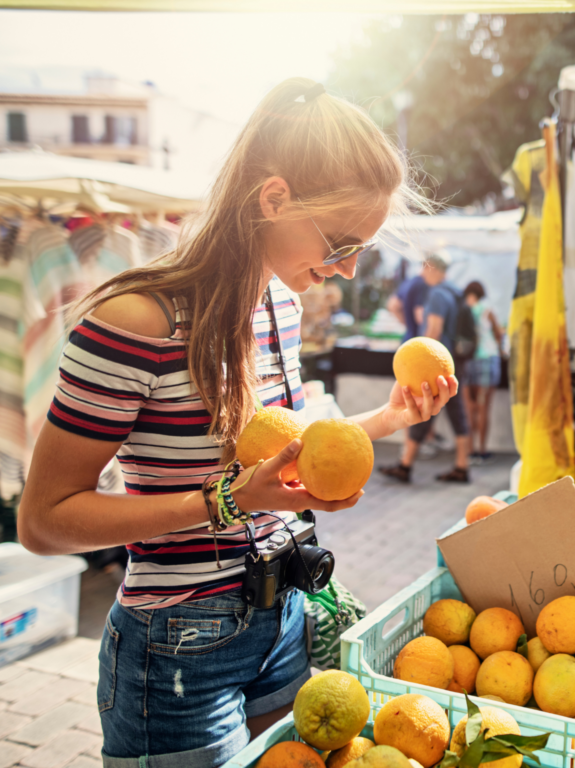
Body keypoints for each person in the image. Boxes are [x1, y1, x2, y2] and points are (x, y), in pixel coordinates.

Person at [15, 78, 458, 767]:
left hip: (282, 620)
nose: (345, 270)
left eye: (359, 251)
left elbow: (276, 451)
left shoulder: (277, 305)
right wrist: (228, 501)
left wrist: (385, 419)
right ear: (274, 197)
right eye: (341, 243)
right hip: (177, 649)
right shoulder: (135, 320)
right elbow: (43, 522)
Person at [380, 250, 472, 483]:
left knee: (424, 411)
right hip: (452, 362)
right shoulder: (454, 291)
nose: (421, 272)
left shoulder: (437, 295)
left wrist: (417, 354)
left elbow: (433, 331)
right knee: (452, 412)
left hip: (436, 366)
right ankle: (459, 466)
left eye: (424, 267)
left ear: (432, 268)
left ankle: (407, 465)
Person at [462, 281, 504, 463]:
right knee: (483, 407)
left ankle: (469, 450)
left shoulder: (464, 310)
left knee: (469, 408)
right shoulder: (487, 310)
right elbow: (499, 334)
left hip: (468, 360)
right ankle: (482, 449)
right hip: (487, 359)